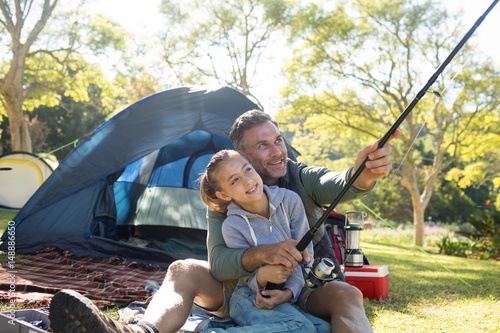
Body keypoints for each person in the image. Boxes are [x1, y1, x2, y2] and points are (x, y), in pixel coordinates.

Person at [49, 110, 399, 333]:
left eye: (278, 141)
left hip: (305, 288)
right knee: (184, 268)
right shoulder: (225, 198)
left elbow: (340, 183)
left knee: (348, 294)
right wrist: (266, 255)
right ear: (240, 157)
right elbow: (218, 263)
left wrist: (363, 174)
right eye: (263, 147)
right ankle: (140, 332)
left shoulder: (297, 177)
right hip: (239, 291)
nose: (277, 152)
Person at [199, 149, 330, 332]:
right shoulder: (232, 226)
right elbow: (244, 276)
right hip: (249, 298)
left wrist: (288, 292)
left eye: (248, 170)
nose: (247, 180)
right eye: (234, 180)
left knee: (324, 328)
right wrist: (261, 277)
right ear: (224, 195)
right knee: (302, 329)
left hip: (283, 298)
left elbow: (306, 258)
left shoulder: (290, 201)